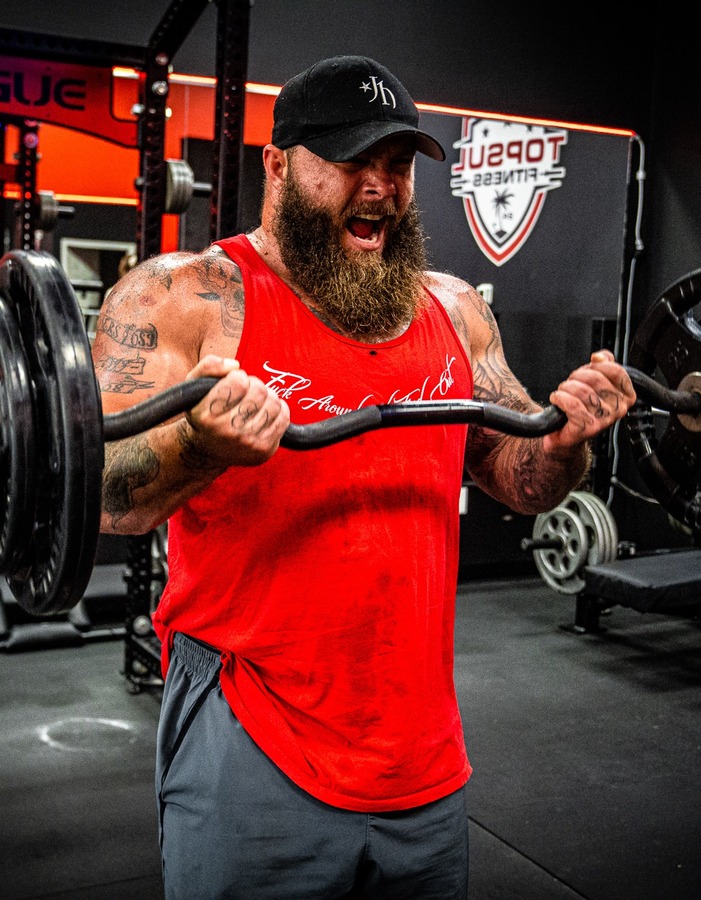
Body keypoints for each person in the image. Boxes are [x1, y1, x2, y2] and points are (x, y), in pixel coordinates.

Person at [92, 55, 636, 899]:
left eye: (398, 162)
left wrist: (567, 443)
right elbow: (104, 498)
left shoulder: (455, 309)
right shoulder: (187, 298)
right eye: (352, 160)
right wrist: (203, 444)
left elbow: (522, 480)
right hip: (251, 740)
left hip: (422, 759)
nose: (380, 186)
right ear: (278, 165)